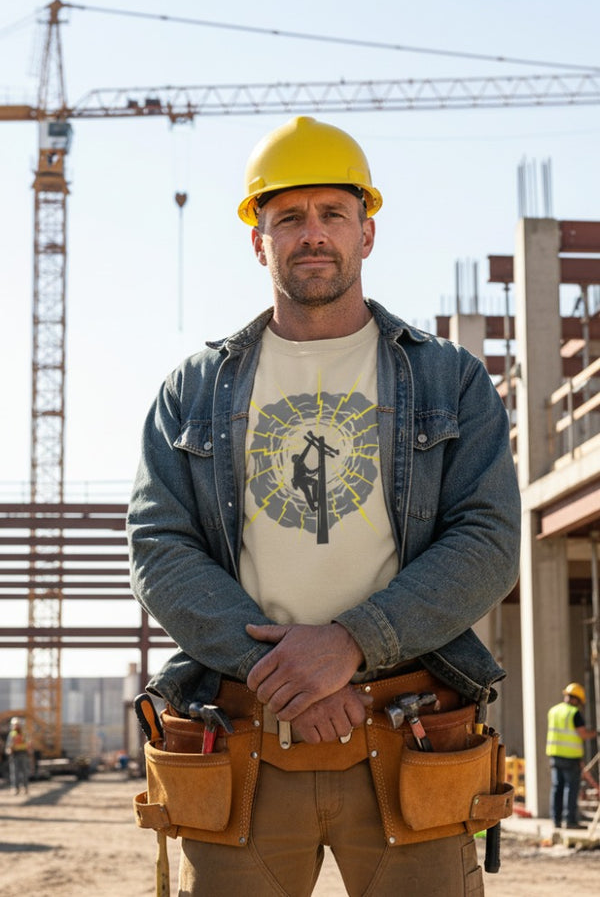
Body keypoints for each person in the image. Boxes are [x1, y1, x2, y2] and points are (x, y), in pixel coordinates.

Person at [127, 116, 521, 896]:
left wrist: (350, 643)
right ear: (257, 239)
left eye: (332, 214)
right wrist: (282, 676)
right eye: (289, 218)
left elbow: (487, 539)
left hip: (407, 733)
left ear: (367, 232)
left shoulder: (450, 381)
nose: (313, 235)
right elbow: (159, 546)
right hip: (244, 737)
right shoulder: (195, 390)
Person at [546, 682, 597, 829]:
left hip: (555, 755)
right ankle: (570, 821)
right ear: (576, 699)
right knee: (571, 788)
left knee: (557, 788)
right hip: (570, 758)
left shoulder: (554, 711)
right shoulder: (574, 713)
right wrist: (595, 733)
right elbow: (582, 734)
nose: (579, 705)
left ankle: (556, 820)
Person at [5, 716, 31, 795]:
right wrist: (9, 750)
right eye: (15, 725)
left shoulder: (24, 734)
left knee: (24, 772)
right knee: (14, 772)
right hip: (15, 755)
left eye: (17, 725)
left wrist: (29, 750)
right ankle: (15, 788)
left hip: (23, 754)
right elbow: (8, 745)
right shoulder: (12, 734)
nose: (16, 726)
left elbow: (28, 743)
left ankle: (25, 787)